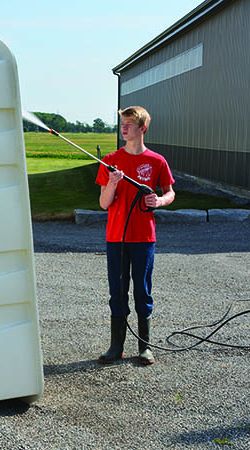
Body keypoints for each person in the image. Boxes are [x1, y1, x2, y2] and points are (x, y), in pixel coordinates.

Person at [95, 106, 175, 365]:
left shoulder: (157, 161)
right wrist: (113, 183)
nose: (124, 127)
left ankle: (145, 347)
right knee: (117, 292)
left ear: (143, 128)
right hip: (116, 238)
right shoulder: (110, 160)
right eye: (123, 123)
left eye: (130, 123)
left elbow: (170, 192)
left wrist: (159, 201)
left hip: (144, 238)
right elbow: (104, 204)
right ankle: (116, 346)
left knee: (143, 290)